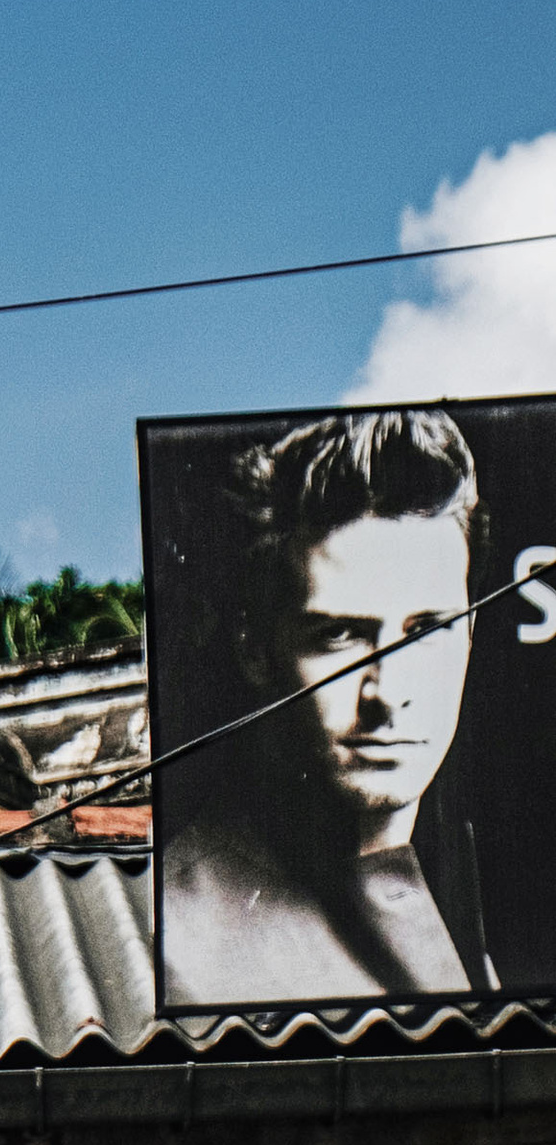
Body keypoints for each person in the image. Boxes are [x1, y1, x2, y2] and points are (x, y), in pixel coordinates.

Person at [162, 406, 489, 1008]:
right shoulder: (179, 944)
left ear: (470, 636)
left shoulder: (465, 907)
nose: (387, 692)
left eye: (428, 631)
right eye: (339, 636)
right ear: (255, 650)